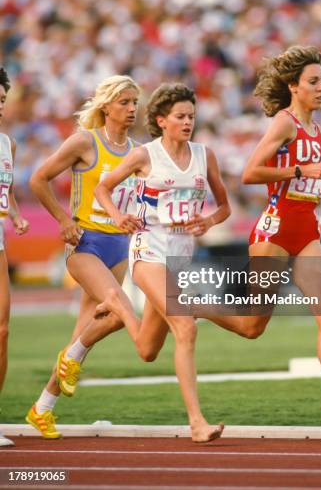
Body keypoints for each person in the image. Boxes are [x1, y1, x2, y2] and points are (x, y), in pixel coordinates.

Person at [235, 45, 321, 429]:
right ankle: (195, 307)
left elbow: (300, 181)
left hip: (306, 230)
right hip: (274, 232)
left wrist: (317, 190)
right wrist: (300, 171)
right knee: (252, 326)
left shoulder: (320, 131)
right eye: (313, 82)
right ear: (294, 86)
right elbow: (250, 173)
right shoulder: (284, 122)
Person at [95, 83, 230, 443]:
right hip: (148, 252)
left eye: (192, 117)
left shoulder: (205, 155)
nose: (188, 123)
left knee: (147, 350)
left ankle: (118, 306)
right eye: (180, 117)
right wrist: (117, 217)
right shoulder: (145, 156)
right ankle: (197, 423)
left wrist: (209, 222)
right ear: (161, 120)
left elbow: (225, 207)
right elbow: (102, 188)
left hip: (180, 258)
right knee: (185, 328)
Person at [26, 75, 146, 439]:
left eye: (134, 103)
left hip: (119, 246)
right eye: (124, 102)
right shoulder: (85, 142)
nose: (130, 109)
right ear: (105, 105)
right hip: (85, 243)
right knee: (121, 309)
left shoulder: (139, 151)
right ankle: (71, 356)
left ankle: (42, 408)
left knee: (85, 334)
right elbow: (38, 179)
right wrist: (63, 220)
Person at [0, 67, 30, 447]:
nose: (0, 105)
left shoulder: (8, 143)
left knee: (3, 330)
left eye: (3, 99)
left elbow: (6, 191)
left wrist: (17, 214)